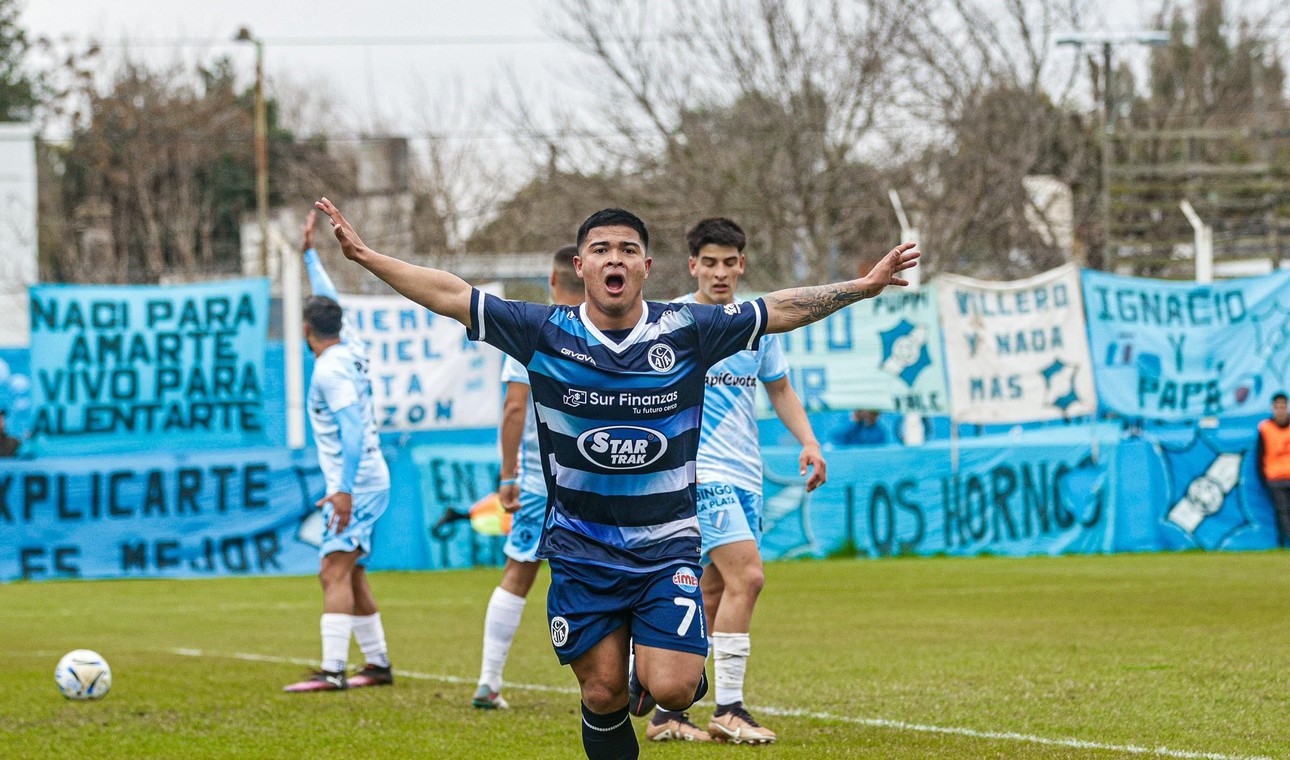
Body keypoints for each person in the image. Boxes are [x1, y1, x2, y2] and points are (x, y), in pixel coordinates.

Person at [313, 197, 917, 759]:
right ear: (580, 266)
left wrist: (863, 287)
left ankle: (667, 669)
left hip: (666, 545)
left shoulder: (688, 329)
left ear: (646, 267)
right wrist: (366, 257)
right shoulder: (543, 331)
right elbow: (450, 293)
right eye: (601, 249)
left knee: (674, 688)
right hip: (581, 548)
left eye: (628, 250)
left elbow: (777, 308)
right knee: (603, 693)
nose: (615, 259)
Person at [645, 217, 826, 744]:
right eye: (710, 263)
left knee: (713, 590)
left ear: (742, 265)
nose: (720, 272)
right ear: (693, 265)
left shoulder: (753, 324)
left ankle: (668, 712)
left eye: (730, 262)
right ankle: (729, 708)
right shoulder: (673, 321)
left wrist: (810, 442)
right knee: (749, 577)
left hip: (746, 473)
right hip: (699, 473)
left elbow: (780, 389)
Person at [283, 210, 395, 692]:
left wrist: (343, 490)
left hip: (359, 482)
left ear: (306, 329)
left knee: (332, 569)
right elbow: (328, 300)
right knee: (351, 572)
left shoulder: (329, 370)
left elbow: (350, 429)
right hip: (369, 477)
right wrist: (310, 255)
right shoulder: (350, 344)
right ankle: (377, 664)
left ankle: (332, 671)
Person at [472, 244, 583, 710]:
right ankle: (629, 679)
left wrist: (507, 476)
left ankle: (488, 681)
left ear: (552, 280)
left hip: (540, 484)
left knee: (518, 574)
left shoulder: (532, 332)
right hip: (598, 487)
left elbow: (514, 408)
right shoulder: (609, 331)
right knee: (611, 578)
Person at [1256, 392, 1290, 548]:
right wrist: (1263, 478)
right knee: (1282, 511)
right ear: (1273, 408)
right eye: (1278, 407)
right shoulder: (1266, 428)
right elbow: (1260, 455)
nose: (1281, 410)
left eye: (1283, 407)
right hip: (1275, 477)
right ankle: (1285, 542)